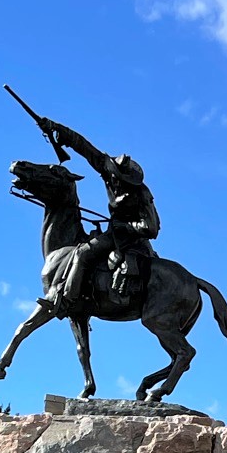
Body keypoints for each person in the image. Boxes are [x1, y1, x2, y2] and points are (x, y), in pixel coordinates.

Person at [41, 118, 161, 311]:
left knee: (82, 253)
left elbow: (152, 228)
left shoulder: (142, 195)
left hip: (131, 241)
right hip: (114, 234)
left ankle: (65, 301)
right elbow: (84, 146)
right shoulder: (108, 169)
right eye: (114, 175)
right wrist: (56, 128)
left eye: (119, 178)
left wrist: (124, 226)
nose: (114, 179)